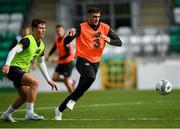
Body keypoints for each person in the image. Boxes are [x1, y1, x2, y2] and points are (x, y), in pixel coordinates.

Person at [54, 7, 122, 120]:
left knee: (79, 90)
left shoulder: (105, 27)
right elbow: (65, 42)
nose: (97, 19)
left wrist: (109, 40)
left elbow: (119, 42)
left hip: (96, 62)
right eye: (94, 16)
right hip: (82, 60)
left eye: (98, 17)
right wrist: (70, 36)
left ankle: (59, 110)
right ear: (88, 17)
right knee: (91, 77)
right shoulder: (81, 27)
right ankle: (73, 100)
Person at [0, 19, 58, 122]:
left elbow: (41, 62)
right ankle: (29, 113)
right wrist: (7, 65)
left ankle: (6, 115)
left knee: (25, 96)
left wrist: (49, 79)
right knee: (34, 82)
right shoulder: (27, 40)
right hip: (14, 68)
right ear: (34, 29)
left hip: (22, 71)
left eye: (44, 28)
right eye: (41, 28)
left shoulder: (42, 45)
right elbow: (13, 50)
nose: (43, 30)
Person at [46, 24, 75, 93]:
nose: (59, 32)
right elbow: (54, 48)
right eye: (57, 31)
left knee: (66, 82)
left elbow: (68, 54)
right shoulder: (57, 39)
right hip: (61, 62)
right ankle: (70, 81)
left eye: (60, 30)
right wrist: (49, 55)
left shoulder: (66, 39)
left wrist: (57, 58)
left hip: (68, 62)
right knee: (54, 78)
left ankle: (72, 98)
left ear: (63, 30)